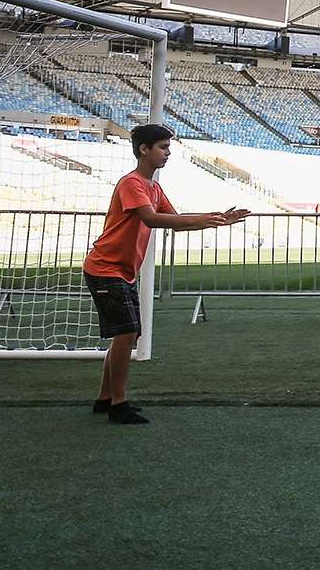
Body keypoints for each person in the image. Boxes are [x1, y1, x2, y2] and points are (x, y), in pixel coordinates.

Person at [83, 124, 250, 425]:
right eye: (162, 147)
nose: (168, 153)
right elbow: (151, 218)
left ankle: (105, 399)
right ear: (144, 149)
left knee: (128, 333)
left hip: (121, 271)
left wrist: (219, 220)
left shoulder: (153, 188)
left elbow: (174, 221)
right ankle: (118, 404)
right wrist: (208, 218)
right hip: (106, 268)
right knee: (125, 334)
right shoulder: (131, 184)